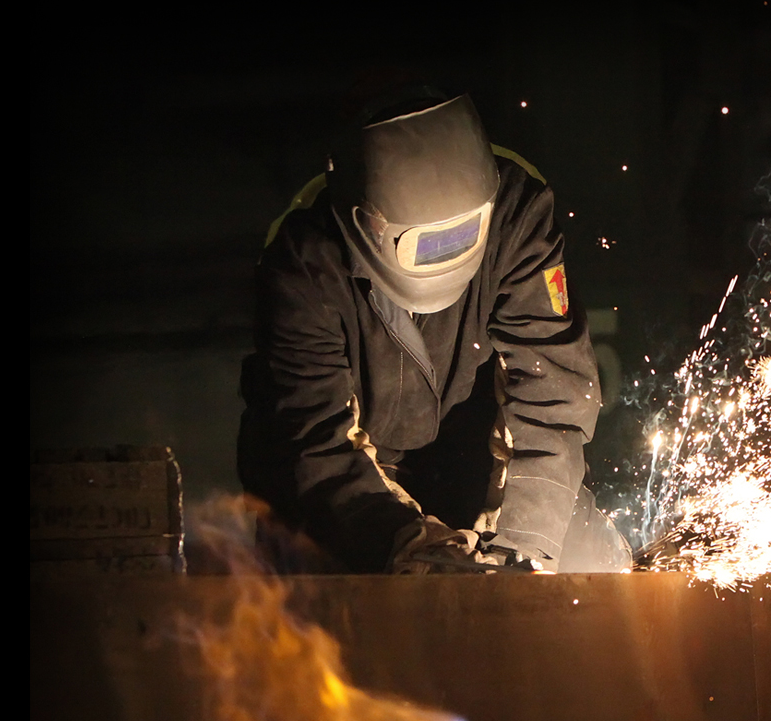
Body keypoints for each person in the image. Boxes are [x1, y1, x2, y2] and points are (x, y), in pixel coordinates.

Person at [237, 83, 625, 574]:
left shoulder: (516, 214)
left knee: (581, 564)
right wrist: (405, 542)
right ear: (368, 224)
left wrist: (526, 545)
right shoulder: (304, 264)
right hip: (342, 489)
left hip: (471, 456)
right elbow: (313, 439)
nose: (448, 253)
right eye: (426, 245)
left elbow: (553, 394)